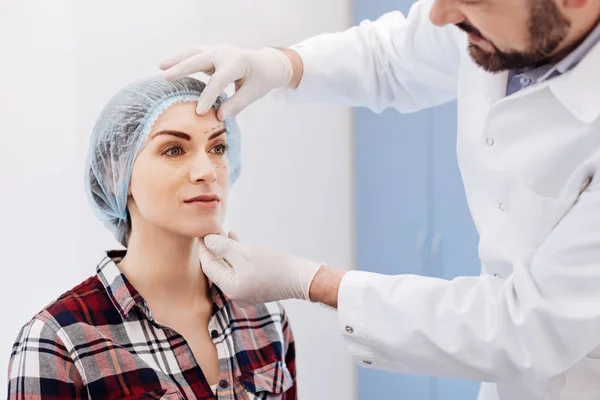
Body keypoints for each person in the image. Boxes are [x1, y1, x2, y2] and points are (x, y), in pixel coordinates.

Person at [159, 0, 600, 399]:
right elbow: (389, 57)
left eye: (469, 2)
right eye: (172, 149)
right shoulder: (89, 331)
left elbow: (522, 328)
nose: (438, 15)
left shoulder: (263, 329)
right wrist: (281, 64)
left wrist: (310, 281)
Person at [7, 77, 297, 400]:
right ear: (118, 174)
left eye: (218, 147)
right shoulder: (59, 343)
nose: (207, 171)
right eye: (174, 149)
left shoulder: (265, 319)